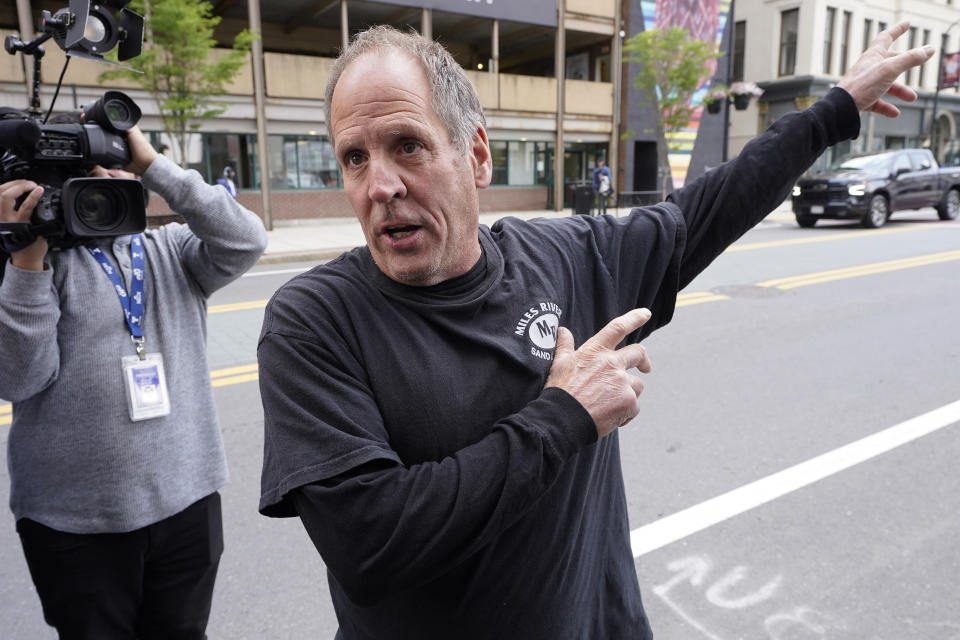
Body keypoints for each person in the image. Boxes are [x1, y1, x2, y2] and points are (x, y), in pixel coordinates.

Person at [257, 23, 932, 640]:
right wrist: (565, 416)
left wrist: (835, 109)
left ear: (477, 156)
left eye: (407, 146)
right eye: (353, 158)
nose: (381, 186)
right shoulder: (313, 321)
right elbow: (369, 544)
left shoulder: (564, 258)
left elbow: (704, 210)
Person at [0, 125, 268, 638]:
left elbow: (247, 239)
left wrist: (156, 167)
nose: (106, 183)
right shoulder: (31, 261)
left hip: (187, 503)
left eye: (118, 167)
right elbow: (19, 379)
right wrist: (27, 261)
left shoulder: (172, 249)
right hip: (71, 524)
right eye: (88, 177)